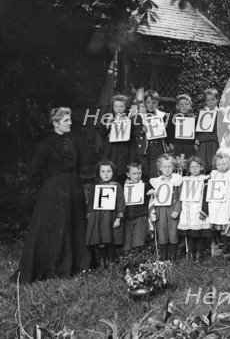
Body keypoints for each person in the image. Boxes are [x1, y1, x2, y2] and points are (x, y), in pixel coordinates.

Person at [13, 107, 91, 284]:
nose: (70, 122)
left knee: (74, 226)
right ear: (55, 123)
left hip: (73, 189)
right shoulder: (44, 145)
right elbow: (35, 172)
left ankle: (77, 265)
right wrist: (48, 188)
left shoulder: (72, 142)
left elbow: (77, 166)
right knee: (57, 228)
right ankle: (54, 266)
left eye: (70, 119)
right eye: (66, 120)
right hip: (54, 191)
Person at [86, 160, 125, 268]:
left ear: (113, 172)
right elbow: (91, 201)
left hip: (110, 216)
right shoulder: (96, 186)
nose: (106, 174)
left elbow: (121, 202)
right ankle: (102, 261)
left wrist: (119, 217)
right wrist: (89, 216)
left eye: (108, 171)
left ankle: (110, 261)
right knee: (100, 239)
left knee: (110, 239)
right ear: (99, 173)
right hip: (98, 217)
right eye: (103, 171)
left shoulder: (117, 186)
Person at [94, 94, 137, 185]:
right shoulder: (109, 118)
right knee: (112, 171)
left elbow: (133, 134)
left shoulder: (129, 119)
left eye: (121, 106)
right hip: (112, 150)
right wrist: (108, 128)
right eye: (116, 106)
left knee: (124, 172)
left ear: (125, 107)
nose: (118, 109)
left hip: (125, 149)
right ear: (112, 107)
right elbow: (101, 131)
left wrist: (129, 122)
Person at [149, 153, 183, 261]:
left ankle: (173, 254)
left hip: (173, 209)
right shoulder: (157, 181)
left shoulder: (177, 180)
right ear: (160, 168)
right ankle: (164, 254)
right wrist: (153, 194)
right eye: (164, 166)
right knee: (162, 230)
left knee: (173, 232)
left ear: (173, 167)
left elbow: (181, 197)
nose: (167, 169)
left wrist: (177, 210)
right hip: (161, 209)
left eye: (169, 166)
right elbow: (157, 197)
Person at [177, 156, 211, 262]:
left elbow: (207, 196)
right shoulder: (185, 180)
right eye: (192, 167)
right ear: (188, 169)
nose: (195, 169)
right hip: (187, 211)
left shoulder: (205, 179)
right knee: (190, 235)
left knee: (199, 234)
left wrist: (204, 211)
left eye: (197, 166)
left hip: (198, 210)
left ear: (201, 167)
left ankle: (200, 255)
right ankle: (191, 255)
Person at [208, 154, 230, 254]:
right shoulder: (214, 173)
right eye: (219, 164)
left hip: (228, 201)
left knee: (229, 224)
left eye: (224, 164)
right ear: (215, 165)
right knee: (221, 225)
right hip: (217, 203)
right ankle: (225, 245)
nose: (221, 166)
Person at [133, 90, 170, 181]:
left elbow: (168, 134)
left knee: (155, 171)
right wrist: (141, 130)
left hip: (158, 147)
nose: (151, 105)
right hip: (145, 148)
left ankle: (155, 192)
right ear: (145, 103)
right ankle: (146, 193)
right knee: (145, 171)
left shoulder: (162, 115)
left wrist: (165, 129)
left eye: (154, 102)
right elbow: (134, 133)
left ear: (157, 103)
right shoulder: (140, 116)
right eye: (148, 102)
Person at [122, 162, 154, 255]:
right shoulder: (124, 186)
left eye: (139, 173)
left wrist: (151, 193)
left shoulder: (145, 185)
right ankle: (127, 260)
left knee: (139, 238)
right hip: (128, 216)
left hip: (141, 215)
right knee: (127, 239)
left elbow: (151, 199)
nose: (137, 176)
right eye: (134, 174)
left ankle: (138, 257)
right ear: (128, 174)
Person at [167, 94, 198, 168]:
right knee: (177, 166)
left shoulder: (194, 118)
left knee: (190, 166)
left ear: (190, 106)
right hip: (177, 146)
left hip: (190, 147)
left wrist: (196, 143)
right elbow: (168, 132)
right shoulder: (172, 118)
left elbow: (198, 132)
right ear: (177, 106)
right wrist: (170, 143)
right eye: (181, 104)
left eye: (187, 104)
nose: (184, 106)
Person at [195, 88, 221, 174]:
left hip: (215, 141)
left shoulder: (221, 113)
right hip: (203, 142)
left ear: (217, 99)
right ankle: (204, 182)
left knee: (215, 163)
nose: (210, 102)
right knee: (203, 164)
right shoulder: (201, 112)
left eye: (213, 100)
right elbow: (197, 128)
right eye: (208, 100)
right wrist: (197, 138)